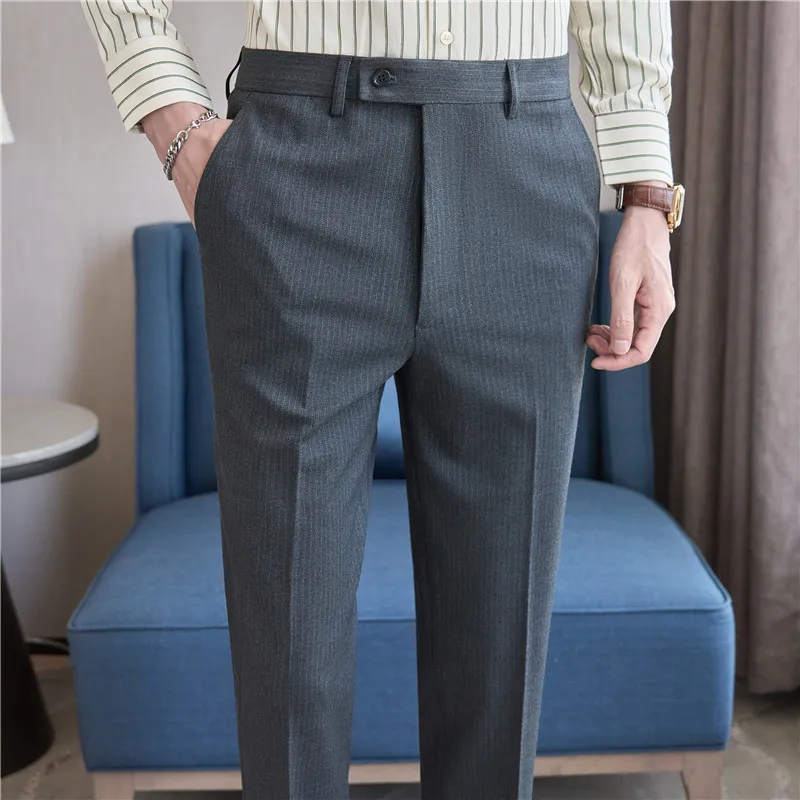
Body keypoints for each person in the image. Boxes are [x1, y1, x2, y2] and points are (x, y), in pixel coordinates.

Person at [81, 2, 682, 798]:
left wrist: (647, 199)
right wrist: (174, 123)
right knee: (287, 641)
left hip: (524, 172)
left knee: (498, 642)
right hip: (298, 164)